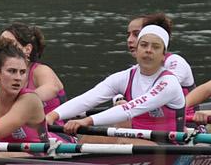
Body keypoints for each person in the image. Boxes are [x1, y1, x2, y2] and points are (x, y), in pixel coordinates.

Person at [48, 22, 185, 141]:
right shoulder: (124, 77)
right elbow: (88, 99)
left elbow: (129, 109)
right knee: (90, 139)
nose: (148, 50)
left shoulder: (168, 83)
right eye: (144, 45)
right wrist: (52, 115)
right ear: (136, 51)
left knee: (122, 142)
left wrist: (87, 121)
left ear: (163, 56)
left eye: (155, 47)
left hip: (167, 144)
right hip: (137, 140)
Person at [0, 22, 65, 113]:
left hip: (51, 125)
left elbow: (52, 89)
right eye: (1, 44)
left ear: (27, 49)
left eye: (9, 45)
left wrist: (17, 102)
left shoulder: (41, 71)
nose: (2, 50)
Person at [126, 12, 195, 92]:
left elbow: (165, 88)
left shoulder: (177, 62)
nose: (129, 40)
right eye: (128, 35)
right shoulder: (135, 70)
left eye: (136, 34)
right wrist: (119, 98)